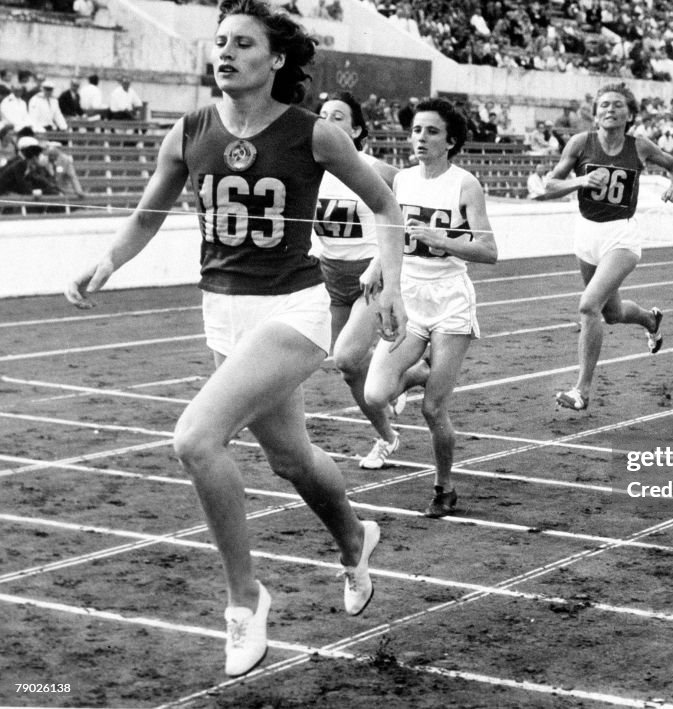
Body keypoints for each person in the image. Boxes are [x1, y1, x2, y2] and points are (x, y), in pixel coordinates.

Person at [64, 0, 407, 678]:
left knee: (195, 437)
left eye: (243, 43)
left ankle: (245, 599)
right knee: (292, 459)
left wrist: (388, 282)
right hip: (221, 311)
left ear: (275, 59)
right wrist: (107, 262)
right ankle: (354, 538)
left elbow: (387, 207)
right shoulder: (188, 130)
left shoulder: (315, 134)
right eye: (219, 41)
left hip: (293, 311)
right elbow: (146, 215)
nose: (224, 52)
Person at [363, 97, 498, 517]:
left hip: (451, 300)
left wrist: (440, 240)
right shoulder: (401, 180)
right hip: (410, 296)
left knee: (432, 408)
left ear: (451, 140)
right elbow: (393, 235)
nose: (421, 138)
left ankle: (444, 486)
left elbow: (489, 250)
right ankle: (422, 370)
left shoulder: (464, 185)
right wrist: (374, 266)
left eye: (431, 131)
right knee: (375, 393)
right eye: (417, 130)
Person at [538, 82, 673, 411]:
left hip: (622, 236)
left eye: (617, 105)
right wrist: (580, 180)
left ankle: (582, 391)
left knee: (589, 306)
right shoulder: (580, 142)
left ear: (629, 114)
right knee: (613, 313)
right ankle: (650, 320)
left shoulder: (640, 146)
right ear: (595, 113)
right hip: (587, 235)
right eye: (603, 104)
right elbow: (549, 185)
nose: (609, 109)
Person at [313, 93, 407, 469]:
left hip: (371, 279)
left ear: (356, 129)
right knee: (350, 367)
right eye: (322, 116)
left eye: (338, 117)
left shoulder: (375, 169)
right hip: (332, 278)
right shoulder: (308, 168)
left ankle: (386, 432)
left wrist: (381, 263)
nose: (328, 122)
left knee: (349, 359)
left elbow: (413, 208)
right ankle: (392, 400)